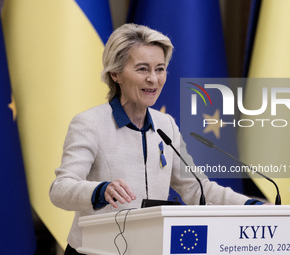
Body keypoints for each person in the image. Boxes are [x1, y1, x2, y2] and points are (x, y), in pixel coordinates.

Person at [49, 23, 263, 255]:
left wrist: (252, 206)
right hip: (95, 251)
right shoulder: (90, 123)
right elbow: (60, 189)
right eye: (142, 69)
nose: (153, 79)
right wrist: (101, 191)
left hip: (150, 249)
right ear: (116, 73)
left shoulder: (166, 125)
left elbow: (197, 188)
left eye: (159, 69)